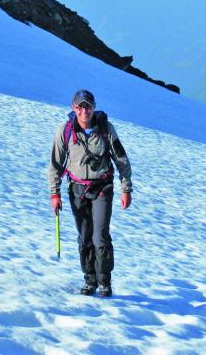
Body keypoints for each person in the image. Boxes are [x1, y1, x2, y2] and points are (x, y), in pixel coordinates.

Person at [48, 89, 132, 297]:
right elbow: (55, 165)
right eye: (80, 106)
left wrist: (126, 188)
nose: (84, 110)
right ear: (73, 108)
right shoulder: (65, 131)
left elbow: (121, 160)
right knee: (85, 236)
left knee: (100, 236)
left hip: (102, 187)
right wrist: (54, 194)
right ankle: (90, 280)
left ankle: (104, 282)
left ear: (94, 107)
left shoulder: (106, 129)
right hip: (77, 189)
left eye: (88, 106)